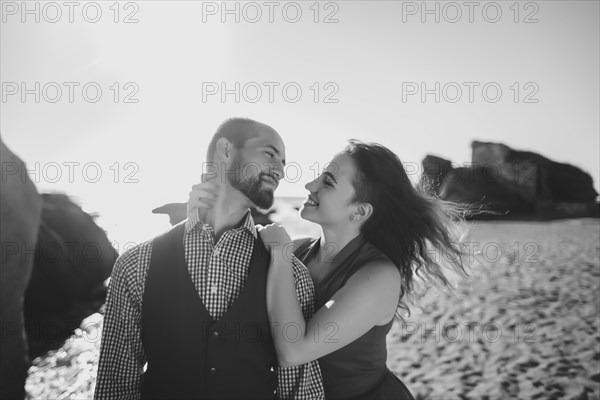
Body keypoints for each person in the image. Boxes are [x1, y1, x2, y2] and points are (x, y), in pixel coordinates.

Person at [188, 139, 468, 399]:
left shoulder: (379, 276)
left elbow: (294, 351)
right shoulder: (297, 250)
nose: (310, 185)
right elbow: (219, 272)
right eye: (319, 176)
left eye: (328, 182)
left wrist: (281, 257)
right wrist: (200, 218)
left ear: (359, 211)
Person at [94, 118, 324, 400]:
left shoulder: (290, 274)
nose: (280, 171)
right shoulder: (136, 264)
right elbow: (116, 384)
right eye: (270, 154)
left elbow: (301, 391)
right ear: (226, 150)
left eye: (284, 163)